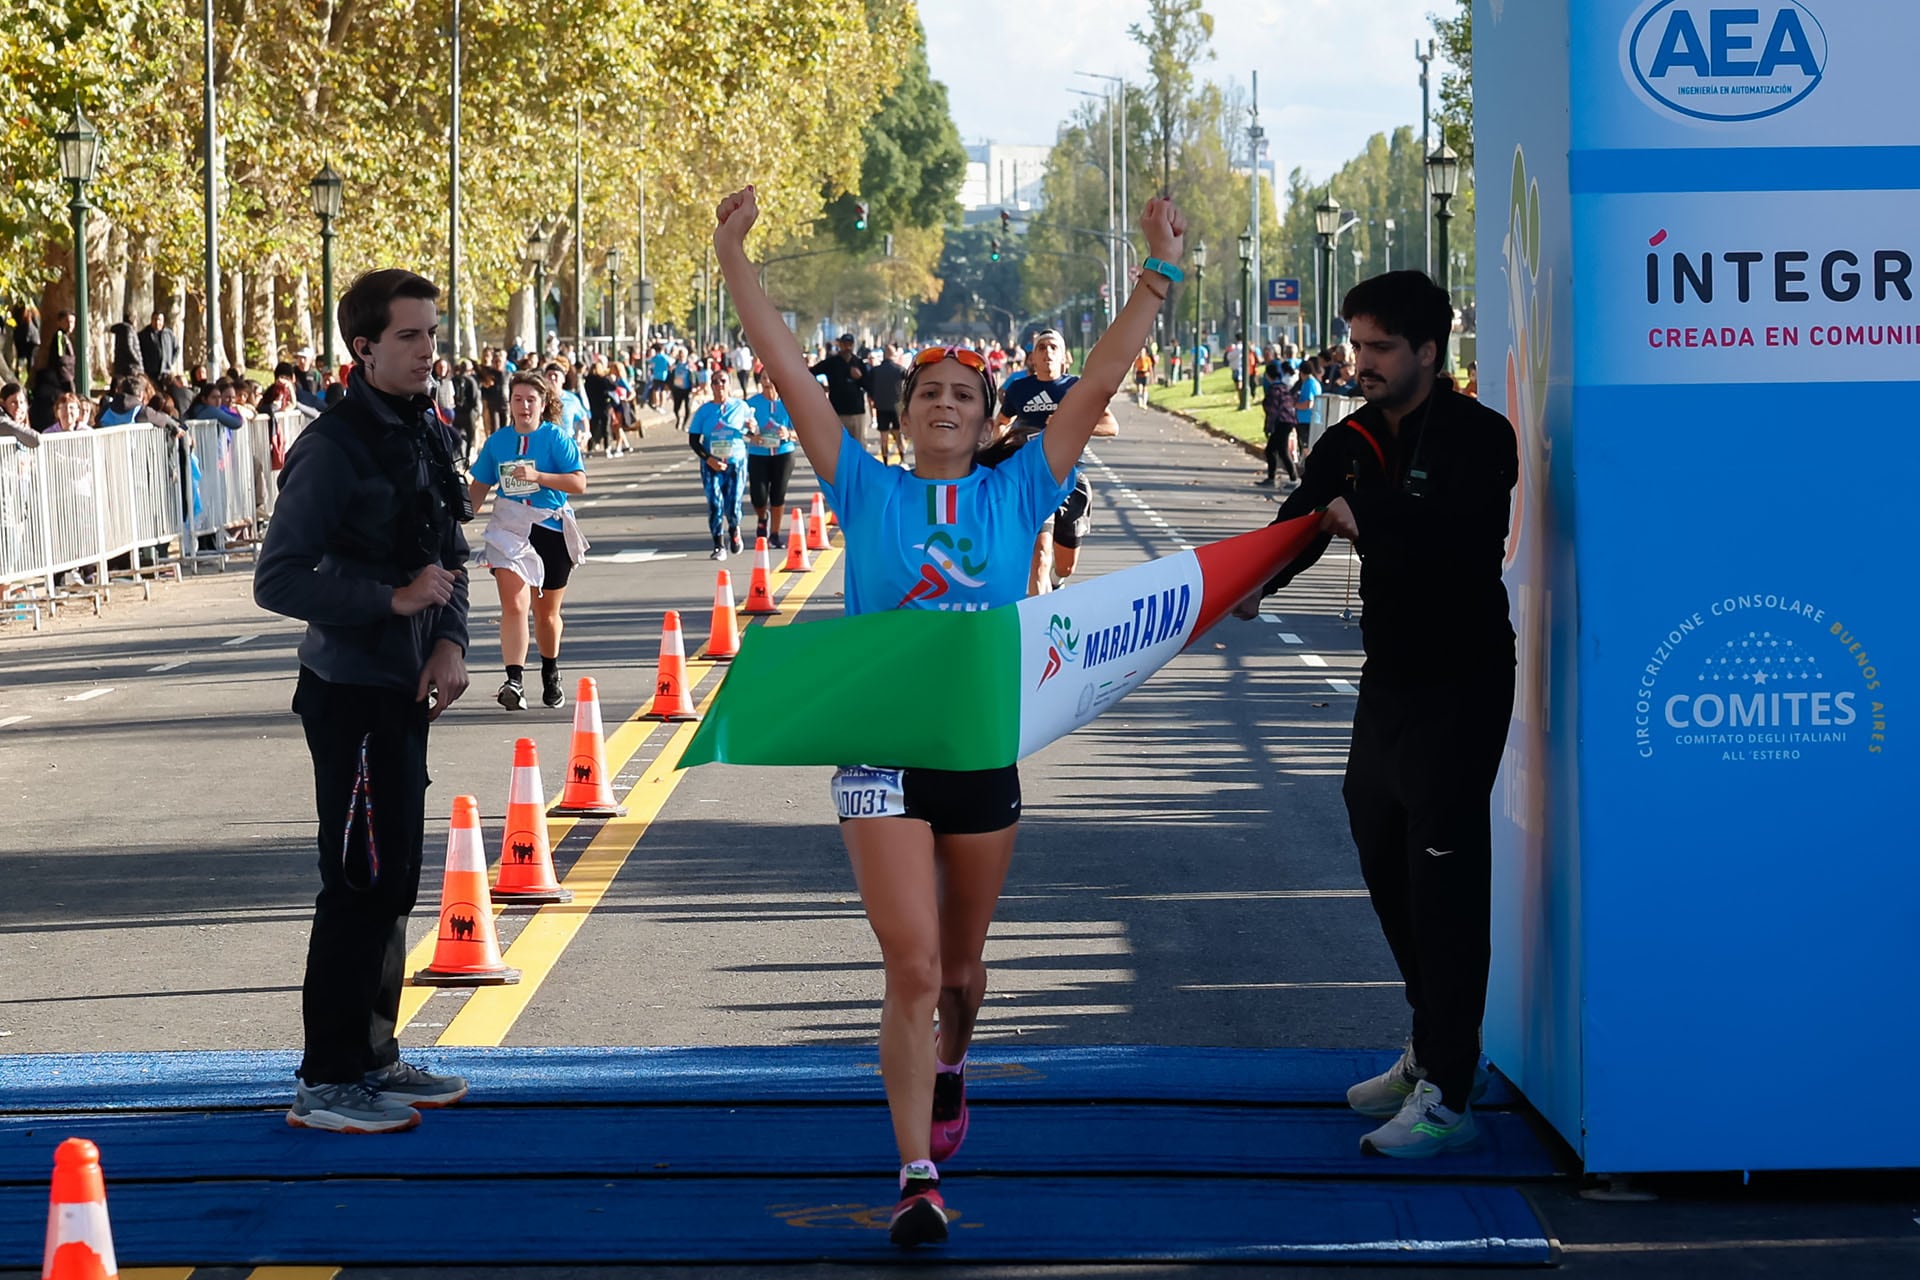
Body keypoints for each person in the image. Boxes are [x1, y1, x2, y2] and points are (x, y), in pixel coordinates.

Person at [714, 183, 1187, 1248]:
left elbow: (1101, 373)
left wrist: (1160, 270)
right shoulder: (864, 487)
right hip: (880, 751)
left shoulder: (1020, 491)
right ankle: (916, 1168)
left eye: (963, 397)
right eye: (928, 391)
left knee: (964, 974)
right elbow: (789, 369)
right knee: (912, 967)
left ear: (984, 422)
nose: (944, 403)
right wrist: (734, 258)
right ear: (905, 410)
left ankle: (956, 1055)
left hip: (979, 745)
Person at [1233, 270, 1518, 1159]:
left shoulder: (1482, 436)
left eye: (1380, 348)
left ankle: (1449, 1090)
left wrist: (1367, 518)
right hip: (1390, 679)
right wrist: (1239, 587)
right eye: (1356, 345)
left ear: (1428, 351)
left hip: (1464, 678)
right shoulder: (1349, 437)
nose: (1362, 363)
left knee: (1445, 880)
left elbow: (1461, 548)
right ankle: (1429, 1042)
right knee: (1378, 846)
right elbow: (1299, 521)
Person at [253, 268, 474, 1136]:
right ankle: (328, 1078)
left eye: (432, 334)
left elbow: (446, 550)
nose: (428, 351)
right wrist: (389, 602)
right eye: (411, 337)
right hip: (349, 692)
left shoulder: (425, 425)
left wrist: (452, 642)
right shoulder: (333, 444)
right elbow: (278, 578)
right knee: (354, 881)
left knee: (394, 881)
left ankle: (375, 1056)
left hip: (405, 690)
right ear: (364, 348)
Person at [469, 370, 588, 710]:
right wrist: (456, 517)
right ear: (509, 404)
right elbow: (478, 487)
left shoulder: (556, 438)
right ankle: (514, 680)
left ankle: (550, 671)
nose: (524, 406)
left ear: (543, 404)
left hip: (549, 528)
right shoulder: (498, 442)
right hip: (509, 528)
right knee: (515, 606)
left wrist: (539, 476)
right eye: (517, 400)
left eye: (530, 400)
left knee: (546, 614)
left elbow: (579, 483)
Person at [988, 329, 1117, 595]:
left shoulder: (1077, 388)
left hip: (1070, 479)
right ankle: (1039, 624)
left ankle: (1056, 584)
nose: (1047, 353)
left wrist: (1070, 422)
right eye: (1042, 348)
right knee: (1040, 556)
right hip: (1032, 480)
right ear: (1032, 358)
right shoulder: (1020, 389)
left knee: (1065, 566)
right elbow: (1001, 423)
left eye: (1053, 348)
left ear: (1064, 357)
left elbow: (1110, 426)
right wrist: (1002, 450)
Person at [687, 367, 752, 560]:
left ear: (729, 385)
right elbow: (693, 440)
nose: (719, 386)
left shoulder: (741, 407)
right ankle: (718, 545)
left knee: (732, 505)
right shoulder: (704, 411)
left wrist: (753, 428)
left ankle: (734, 529)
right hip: (711, 464)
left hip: (735, 462)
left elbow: (752, 433)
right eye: (715, 382)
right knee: (715, 503)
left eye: (723, 381)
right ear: (711, 386)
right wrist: (709, 459)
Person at [744, 372, 796, 542]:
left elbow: (802, 431)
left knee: (778, 494)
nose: (768, 382)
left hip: (783, 453)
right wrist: (752, 436)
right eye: (764, 378)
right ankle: (762, 517)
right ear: (760, 381)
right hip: (758, 453)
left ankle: (774, 534)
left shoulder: (789, 402)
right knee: (758, 496)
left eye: (771, 378)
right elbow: (740, 427)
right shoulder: (751, 404)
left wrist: (788, 433)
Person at [811, 332, 868, 449]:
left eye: (850, 345)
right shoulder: (832, 362)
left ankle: (856, 467)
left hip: (857, 413)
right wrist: (820, 387)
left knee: (858, 447)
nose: (847, 348)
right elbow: (810, 373)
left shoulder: (858, 362)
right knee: (839, 447)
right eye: (844, 345)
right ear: (840, 345)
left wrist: (860, 377)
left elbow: (869, 386)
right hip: (838, 412)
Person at [1256, 359, 1299, 488]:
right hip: (1288, 421)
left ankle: (1290, 478)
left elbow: (1272, 411)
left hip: (1280, 422)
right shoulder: (1284, 387)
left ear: (1268, 376)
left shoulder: (1273, 390)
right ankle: (1277, 477)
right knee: (1277, 450)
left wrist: (1268, 427)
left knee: (1276, 450)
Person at [867, 343, 908, 467]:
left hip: (881, 406)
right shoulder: (900, 370)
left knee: (883, 436)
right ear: (894, 355)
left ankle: (885, 462)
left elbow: (870, 389)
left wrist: (874, 399)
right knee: (898, 435)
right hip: (896, 406)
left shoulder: (875, 371)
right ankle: (903, 459)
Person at [138, 312, 179, 383]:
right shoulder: (143, 335)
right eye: (155, 319)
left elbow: (176, 349)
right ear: (151, 320)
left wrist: (170, 361)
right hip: (151, 373)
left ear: (163, 321)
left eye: (159, 320)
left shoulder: (169, 334)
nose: (157, 322)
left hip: (166, 372)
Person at [667, 349, 695, 428]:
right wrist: (670, 387)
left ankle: (684, 425)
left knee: (688, 408)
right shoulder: (675, 365)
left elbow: (694, 376)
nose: (681, 355)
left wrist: (694, 386)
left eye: (683, 354)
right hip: (677, 389)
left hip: (687, 389)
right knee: (676, 408)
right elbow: (670, 375)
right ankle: (678, 418)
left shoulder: (689, 365)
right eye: (680, 354)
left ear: (686, 355)